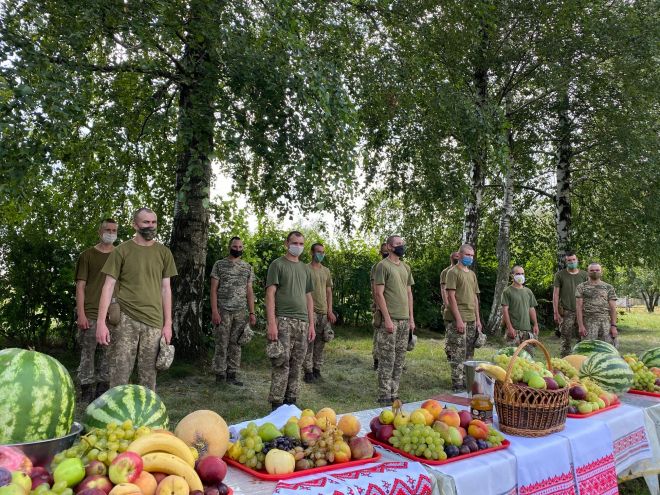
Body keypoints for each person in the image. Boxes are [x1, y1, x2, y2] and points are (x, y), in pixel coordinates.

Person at [96, 208, 177, 391]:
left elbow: (166, 289)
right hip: (125, 319)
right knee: (119, 375)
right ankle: (116, 416)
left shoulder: (164, 253)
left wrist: (168, 324)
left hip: (154, 322)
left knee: (149, 378)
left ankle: (147, 418)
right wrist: (101, 323)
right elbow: (108, 287)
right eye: (145, 222)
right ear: (135, 224)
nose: (150, 226)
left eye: (153, 222)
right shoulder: (122, 250)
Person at [265, 231, 315, 410]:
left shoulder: (305, 269)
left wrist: (311, 324)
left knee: (297, 364)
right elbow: (270, 294)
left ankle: (291, 401)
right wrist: (272, 323)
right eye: (295, 243)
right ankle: (277, 404)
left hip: (302, 323)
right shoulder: (277, 265)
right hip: (283, 321)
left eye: (301, 244)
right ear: (286, 243)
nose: (298, 247)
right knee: (281, 362)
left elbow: (309, 297)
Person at [74, 218, 118, 403]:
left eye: (114, 230)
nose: (111, 232)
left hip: (113, 314)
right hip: (90, 312)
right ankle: (86, 389)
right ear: (100, 232)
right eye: (107, 229)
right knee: (87, 354)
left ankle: (102, 390)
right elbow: (80, 287)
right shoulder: (87, 255)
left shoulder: (120, 254)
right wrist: (81, 313)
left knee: (108, 355)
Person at [373, 235, 415, 404]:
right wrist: (387, 319)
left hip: (405, 320)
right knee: (387, 359)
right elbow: (378, 294)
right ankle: (384, 394)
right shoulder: (382, 266)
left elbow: (409, 293)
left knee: (400, 359)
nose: (401, 246)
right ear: (389, 247)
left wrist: (411, 318)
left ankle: (394, 392)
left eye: (402, 244)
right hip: (390, 320)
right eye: (397, 244)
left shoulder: (406, 267)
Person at [210, 236, 257, 386]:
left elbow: (249, 291)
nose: (237, 249)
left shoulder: (247, 268)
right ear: (229, 246)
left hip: (240, 312)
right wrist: (215, 311)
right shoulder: (219, 265)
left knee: (236, 343)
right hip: (223, 310)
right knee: (221, 343)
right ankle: (219, 375)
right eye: (235, 246)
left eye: (240, 247)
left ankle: (232, 374)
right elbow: (213, 290)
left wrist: (252, 312)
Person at [444, 243, 483, 392]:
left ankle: (468, 381)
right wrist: (459, 319)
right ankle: (457, 383)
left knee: (469, 352)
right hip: (458, 319)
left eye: (472, 255)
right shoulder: (453, 272)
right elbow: (451, 297)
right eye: (467, 255)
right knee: (457, 352)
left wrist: (478, 319)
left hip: (471, 318)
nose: (470, 258)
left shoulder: (472, 274)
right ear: (459, 255)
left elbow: (474, 298)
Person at [303, 243, 336, 383]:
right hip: (310, 311)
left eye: (323, 252)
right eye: (318, 252)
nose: (320, 254)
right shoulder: (304, 269)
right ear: (311, 252)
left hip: (323, 312)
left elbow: (329, 291)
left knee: (321, 343)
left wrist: (330, 310)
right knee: (308, 342)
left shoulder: (326, 271)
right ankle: (308, 371)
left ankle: (317, 369)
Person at [553, 252, 588, 356]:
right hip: (567, 311)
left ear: (577, 260)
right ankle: (565, 361)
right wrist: (556, 313)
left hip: (582, 312)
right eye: (569, 260)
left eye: (573, 259)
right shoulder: (560, 275)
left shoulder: (584, 275)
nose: (572, 262)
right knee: (565, 339)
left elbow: (589, 292)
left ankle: (581, 360)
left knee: (582, 337)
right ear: (566, 261)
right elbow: (555, 294)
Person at [576, 263, 618, 346]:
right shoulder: (581, 287)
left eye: (597, 270)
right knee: (587, 349)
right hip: (588, 321)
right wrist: (580, 325)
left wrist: (613, 326)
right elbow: (578, 307)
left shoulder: (608, 287)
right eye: (592, 270)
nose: (594, 272)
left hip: (605, 322)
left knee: (609, 349)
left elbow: (613, 308)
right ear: (588, 272)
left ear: (601, 272)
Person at [502, 266, 539, 346]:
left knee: (528, 356)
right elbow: (505, 310)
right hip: (514, 330)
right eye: (518, 273)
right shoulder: (507, 291)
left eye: (522, 273)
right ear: (512, 275)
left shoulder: (528, 291)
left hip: (527, 331)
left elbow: (531, 309)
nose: (520, 276)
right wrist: (509, 327)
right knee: (513, 356)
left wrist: (535, 324)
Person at [370, 243, 389, 370]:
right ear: (380, 253)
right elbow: (374, 288)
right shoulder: (377, 267)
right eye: (384, 251)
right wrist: (377, 306)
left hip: (394, 306)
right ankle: (377, 360)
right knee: (379, 335)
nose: (386, 253)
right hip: (380, 305)